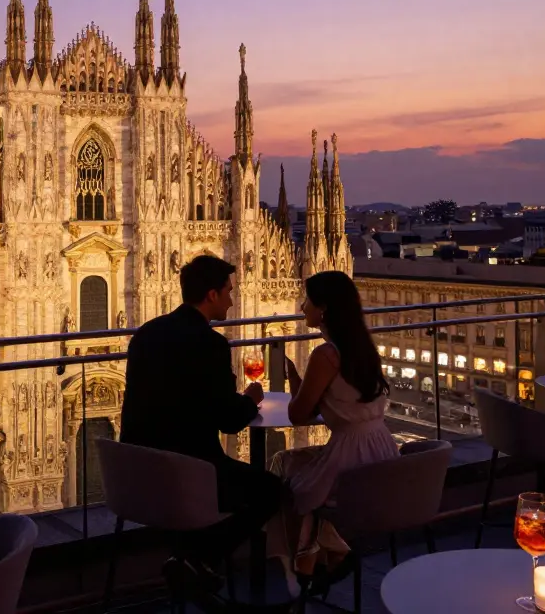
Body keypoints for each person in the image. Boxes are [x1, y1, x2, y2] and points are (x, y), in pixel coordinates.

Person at [119, 254, 282, 581]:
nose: (232, 301)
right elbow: (230, 422)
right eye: (229, 292)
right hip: (189, 476)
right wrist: (250, 400)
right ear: (212, 295)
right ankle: (202, 557)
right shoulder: (211, 344)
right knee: (273, 491)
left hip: (135, 474)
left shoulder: (146, 333)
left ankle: (190, 559)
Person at [267, 270, 399, 593]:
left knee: (287, 481)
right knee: (291, 467)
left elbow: (298, 415)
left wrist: (294, 380)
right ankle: (317, 562)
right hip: (383, 455)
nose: (302, 307)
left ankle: (309, 565)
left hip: (350, 460)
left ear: (324, 309)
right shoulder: (363, 347)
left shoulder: (325, 355)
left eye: (307, 301)